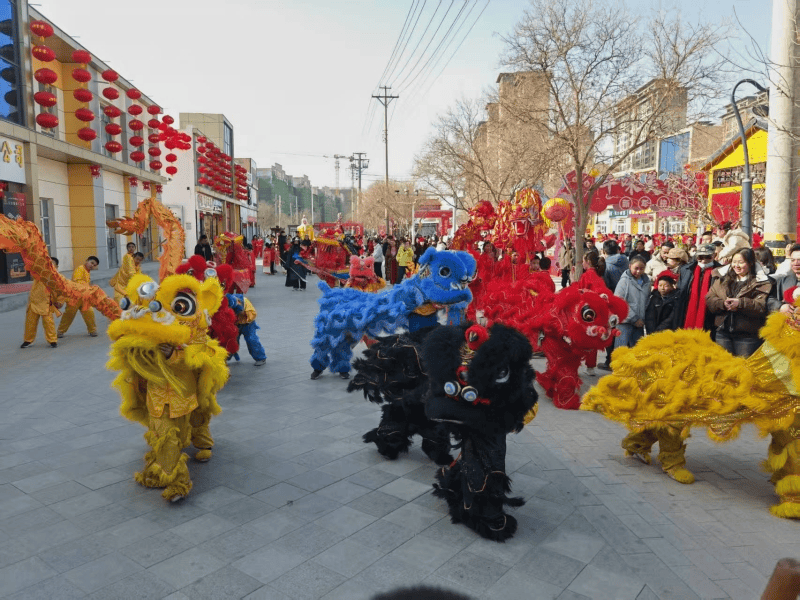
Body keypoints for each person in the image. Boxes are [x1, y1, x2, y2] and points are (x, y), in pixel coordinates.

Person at [706, 247, 771, 357]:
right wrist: (722, 304)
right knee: (723, 367)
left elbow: (761, 306)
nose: (736, 266)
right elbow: (709, 298)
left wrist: (740, 304)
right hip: (722, 332)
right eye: (734, 262)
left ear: (750, 263)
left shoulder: (761, 282)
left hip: (747, 336)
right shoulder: (722, 279)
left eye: (741, 262)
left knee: (744, 369)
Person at [676, 243, 720, 334]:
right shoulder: (686, 269)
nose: (703, 261)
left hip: (710, 315)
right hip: (687, 311)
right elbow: (680, 293)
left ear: (714, 255)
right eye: (700, 257)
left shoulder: (721, 270)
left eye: (707, 257)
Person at [21, 256, 62, 349]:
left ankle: (52, 341)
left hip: (46, 304)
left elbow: (61, 291)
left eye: (51, 264)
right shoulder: (39, 273)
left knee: (49, 323)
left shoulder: (57, 278)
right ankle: (28, 340)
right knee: (30, 323)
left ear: (56, 267)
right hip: (34, 302)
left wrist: (60, 301)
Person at [57, 256, 100, 338]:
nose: (92, 265)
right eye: (91, 263)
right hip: (74, 296)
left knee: (89, 313)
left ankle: (92, 330)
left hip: (84, 297)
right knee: (69, 315)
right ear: (86, 261)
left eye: (94, 265)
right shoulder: (80, 268)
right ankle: (60, 331)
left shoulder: (87, 272)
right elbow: (78, 281)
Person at [614, 256, 650, 350]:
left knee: (637, 351)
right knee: (621, 351)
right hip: (625, 322)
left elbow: (647, 301)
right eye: (636, 268)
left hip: (639, 323)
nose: (638, 271)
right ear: (630, 266)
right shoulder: (624, 281)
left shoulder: (646, 282)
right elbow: (619, 301)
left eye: (641, 269)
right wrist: (633, 318)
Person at [768, 243, 800, 314]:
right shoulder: (781, 280)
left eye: (799, 260)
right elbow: (769, 299)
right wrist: (780, 306)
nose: (796, 263)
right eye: (792, 260)